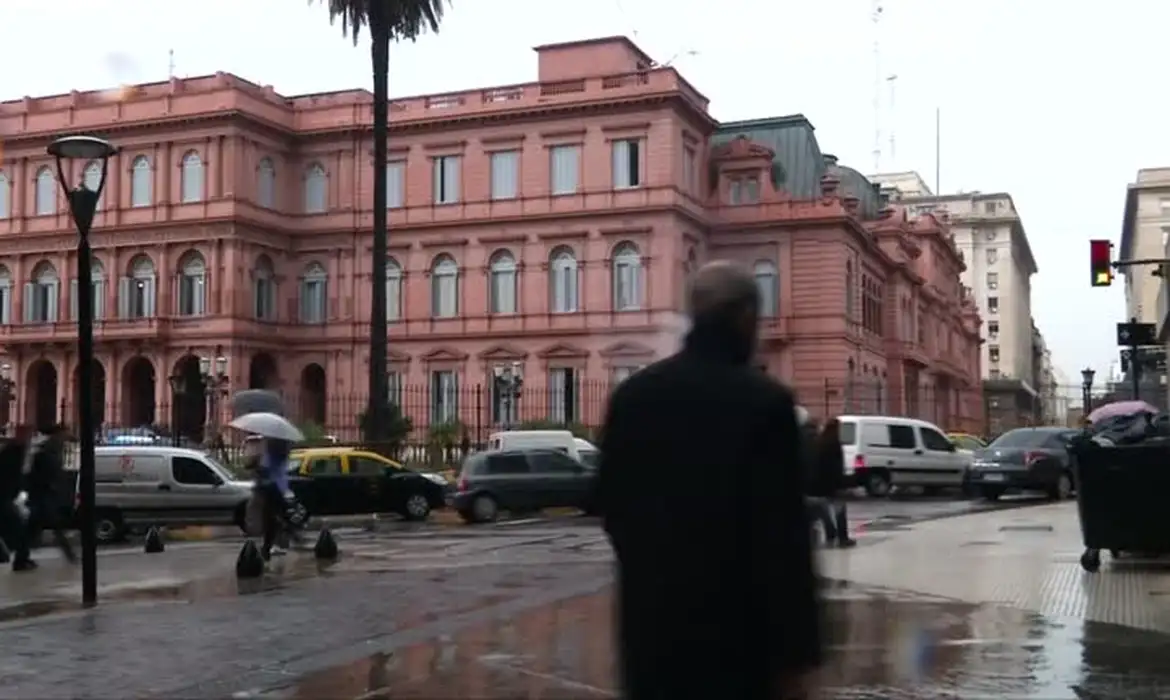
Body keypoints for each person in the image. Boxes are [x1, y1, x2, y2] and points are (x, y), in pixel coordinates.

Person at [597, 260, 822, 700]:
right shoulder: (766, 402)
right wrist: (797, 654)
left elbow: (611, 506)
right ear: (746, 317)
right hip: (742, 639)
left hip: (654, 633)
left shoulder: (634, 397)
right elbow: (784, 537)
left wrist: (652, 574)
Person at [808, 418, 856, 548]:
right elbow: (837, 467)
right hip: (834, 484)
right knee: (840, 511)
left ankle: (830, 534)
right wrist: (842, 483)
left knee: (824, 510)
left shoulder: (819, 443)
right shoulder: (835, 444)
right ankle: (843, 538)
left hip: (820, 483)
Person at [254, 438, 303, 560]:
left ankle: (272, 545)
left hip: (273, 488)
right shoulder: (279, 455)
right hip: (278, 488)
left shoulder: (271, 456)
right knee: (277, 517)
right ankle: (289, 532)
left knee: (272, 519)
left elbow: (264, 471)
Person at [0, 426, 34, 571]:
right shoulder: (13, 452)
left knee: (18, 526)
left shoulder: (13, 451)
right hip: (5, 496)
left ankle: (20, 558)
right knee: (19, 526)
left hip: (7, 496)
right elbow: (13, 476)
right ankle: (20, 560)